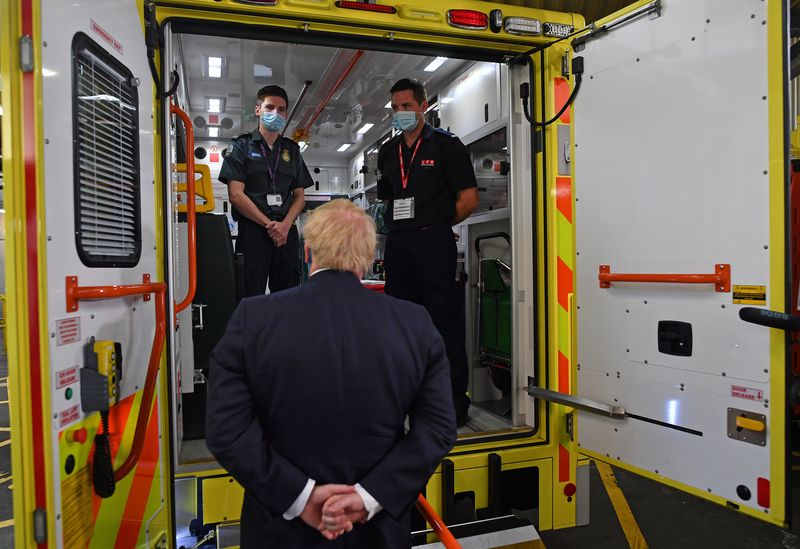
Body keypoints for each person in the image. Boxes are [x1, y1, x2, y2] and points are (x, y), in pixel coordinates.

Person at [206, 199, 457, 548]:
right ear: (368, 256)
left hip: (279, 532)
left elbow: (226, 431)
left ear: (308, 251)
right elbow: (438, 428)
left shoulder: (253, 317)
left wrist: (302, 497)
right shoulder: (415, 323)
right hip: (378, 532)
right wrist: (369, 496)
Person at [377, 78, 479, 426]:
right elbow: (388, 199)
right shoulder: (388, 152)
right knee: (400, 326)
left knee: (442, 324)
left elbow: (468, 200)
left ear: (423, 106)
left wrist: (436, 224)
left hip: (433, 243)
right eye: (395, 108)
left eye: (407, 106)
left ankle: (452, 405)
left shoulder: (447, 146)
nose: (401, 113)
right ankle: (403, 402)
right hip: (399, 245)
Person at [219, 84, 314, 296]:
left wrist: (285, 225)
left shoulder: (292, 150)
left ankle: (284, 331)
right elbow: (235, 194)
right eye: (270, 107)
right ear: (258, 110)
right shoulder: (241, 146)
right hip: (254, 232)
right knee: (250, 295)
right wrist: (270, 225)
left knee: (288, 296)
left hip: (285, 232)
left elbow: (299, 196)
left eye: (281, 109)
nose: (276, 113)